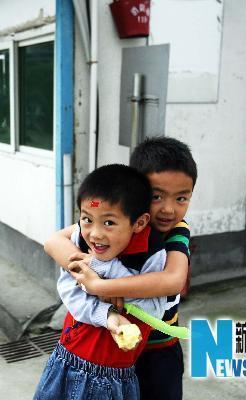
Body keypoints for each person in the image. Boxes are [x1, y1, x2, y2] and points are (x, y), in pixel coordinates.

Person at [46, 137, 197, 400]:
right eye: (156, 196)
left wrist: (101, 286)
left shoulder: (176, 232)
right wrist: (90, 271)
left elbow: (172, 280)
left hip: (157, 349)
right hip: (111, 351)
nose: (169, 209)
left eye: (181, 198)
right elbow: (53, 242)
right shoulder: (112, 223)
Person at [34, 164, 167, 400]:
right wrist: (106, 315)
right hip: (66, 360)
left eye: (108, 223)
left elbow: (155, 308)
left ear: (139, 223)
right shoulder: (79, 240)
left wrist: (105, 270)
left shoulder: (151, 253)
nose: (95, 234)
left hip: (115, 376)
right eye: (87, 219)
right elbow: (68, 289)